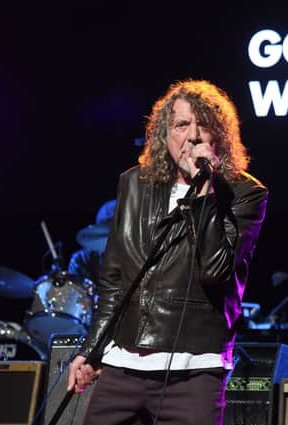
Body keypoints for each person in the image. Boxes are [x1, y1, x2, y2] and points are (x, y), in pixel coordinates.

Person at [67, 79, 268, 425]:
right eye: (181, 125)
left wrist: (204, 192)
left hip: (194, 373)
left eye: (203, 125)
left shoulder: (244, 194)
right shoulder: (134, 184)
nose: (192, 136)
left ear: (219, 136)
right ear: (165, 134)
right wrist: (91, 349)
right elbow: (114, 277)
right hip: (123, 366)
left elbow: (216, 270)